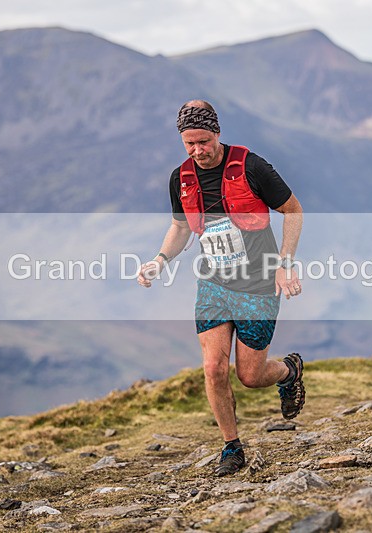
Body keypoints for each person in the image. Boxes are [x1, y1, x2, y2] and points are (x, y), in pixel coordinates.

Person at [137, 100, 305, 477]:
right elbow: (181, 226)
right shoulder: (180, 178)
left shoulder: (251, 166)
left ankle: (288, 372)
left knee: (250, 376)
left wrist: (285, 263)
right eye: (190, 144)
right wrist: (160, 260)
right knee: (213, 367)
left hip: (258, 284)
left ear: (217, 133)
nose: (198, 150)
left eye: (204, 141)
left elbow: (293, 211)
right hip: (213, 284)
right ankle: (232, 447)